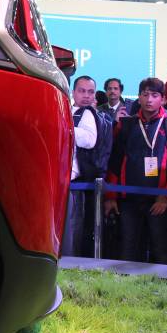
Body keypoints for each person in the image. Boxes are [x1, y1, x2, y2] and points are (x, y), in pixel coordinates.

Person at [104, 78, 167, 264]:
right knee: (127, 250)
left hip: (159, 201)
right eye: (145, 95)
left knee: (162, 251)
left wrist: (166, 197)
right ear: (139, 97)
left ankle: (163, 284)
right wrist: (111, 196)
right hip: (129, 200)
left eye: (154, 95)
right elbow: (114, 162)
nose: (149, 99)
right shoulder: (126, 125)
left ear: (163, 99)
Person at [62, 76, 98, 257]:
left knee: (71, 230)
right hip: (60, 179)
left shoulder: (88, 114)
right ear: (73, 92)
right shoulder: (66, 109)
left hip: (74, 181)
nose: (86, 95)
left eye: (90, 92)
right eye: (82, 91)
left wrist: (62, 126)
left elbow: (89, 140)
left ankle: (71, 265)